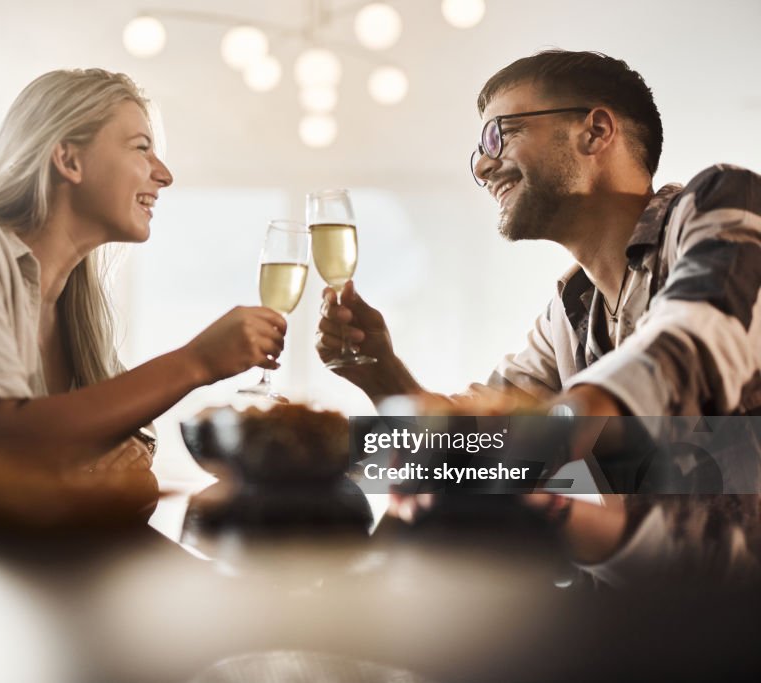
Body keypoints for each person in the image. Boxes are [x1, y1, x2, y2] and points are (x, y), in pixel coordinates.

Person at [316, 50, 761, 582]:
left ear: (595, 132)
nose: (482, 166)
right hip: (634, 633)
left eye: (497, 136)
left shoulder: (720, 203)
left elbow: (694, 338)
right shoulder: (571, 310)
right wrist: (380, 373)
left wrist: (559, 432)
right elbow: (476, 441)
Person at [0, 68, 287, 511]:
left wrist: (118, 480)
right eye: (142, 148)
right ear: (68, 160)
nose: (164, 175)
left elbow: (113, 467)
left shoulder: (77, 310)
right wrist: (196, 361)